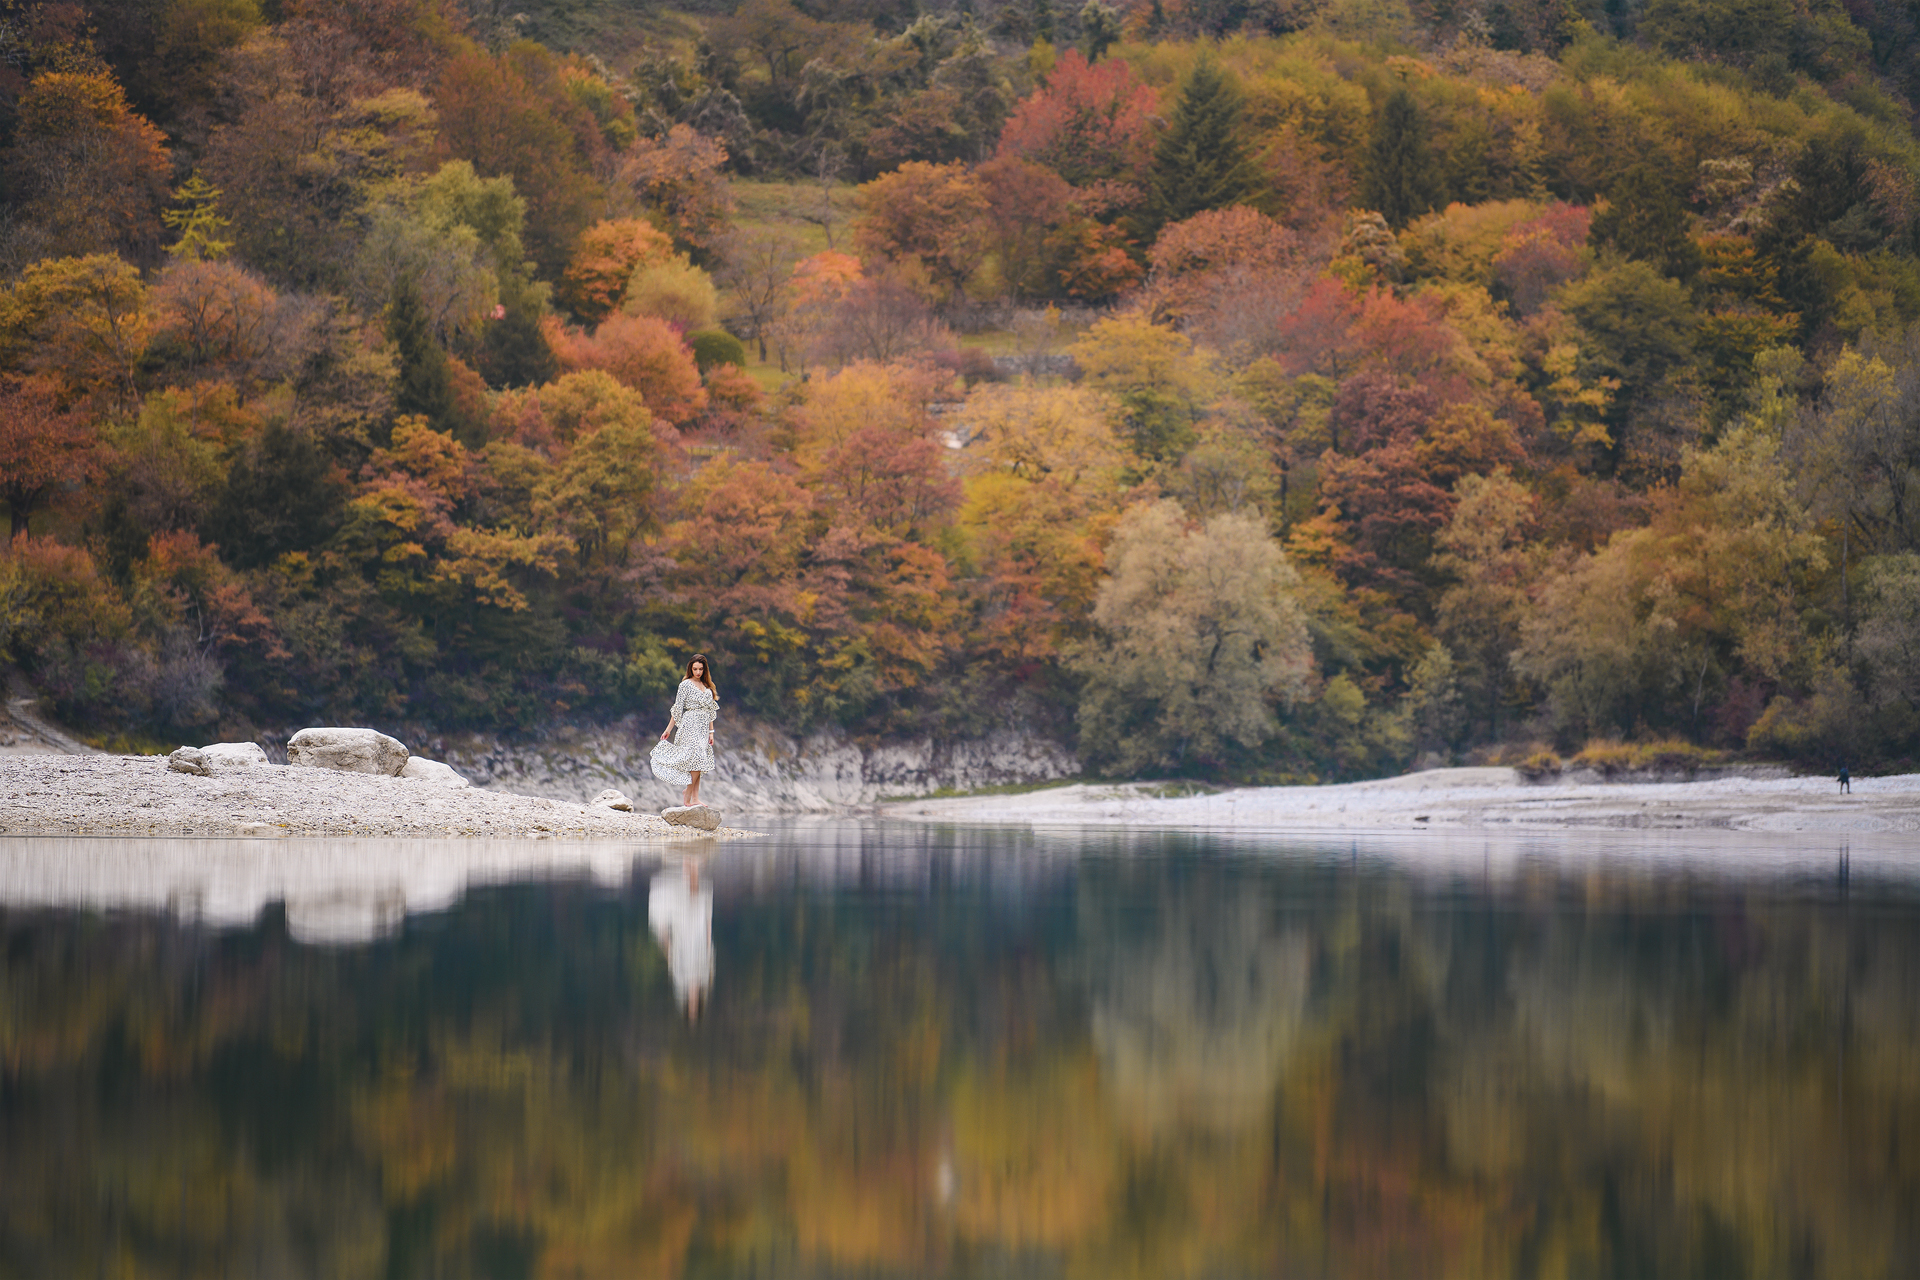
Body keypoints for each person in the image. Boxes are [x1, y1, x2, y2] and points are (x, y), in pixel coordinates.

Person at [648, 857, 713, 1019]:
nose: (692, 999)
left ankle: (690, 863)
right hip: (691, 937)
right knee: (693, 901)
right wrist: (708, 927)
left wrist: (665, 939)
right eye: (693, 1004)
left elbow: (672, 959)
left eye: (691, 1005)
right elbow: (709, 953)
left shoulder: (680, 981)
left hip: (690, 938)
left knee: (692, 901)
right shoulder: (705, 979)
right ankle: (691, 863)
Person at [651, 653, 718, 807]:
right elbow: (677, 709)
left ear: (704, 669)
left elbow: (710, 711)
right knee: (695, 759)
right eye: (695, 669)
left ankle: (695, 798)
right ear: (690, 668)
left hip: (702, 728)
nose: (698, 672)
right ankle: (687, 794)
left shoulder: (707, 687)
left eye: (701, 669)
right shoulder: (685, 685)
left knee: (700, 761)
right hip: (689, 725)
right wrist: (668, 729)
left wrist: (711, 732)